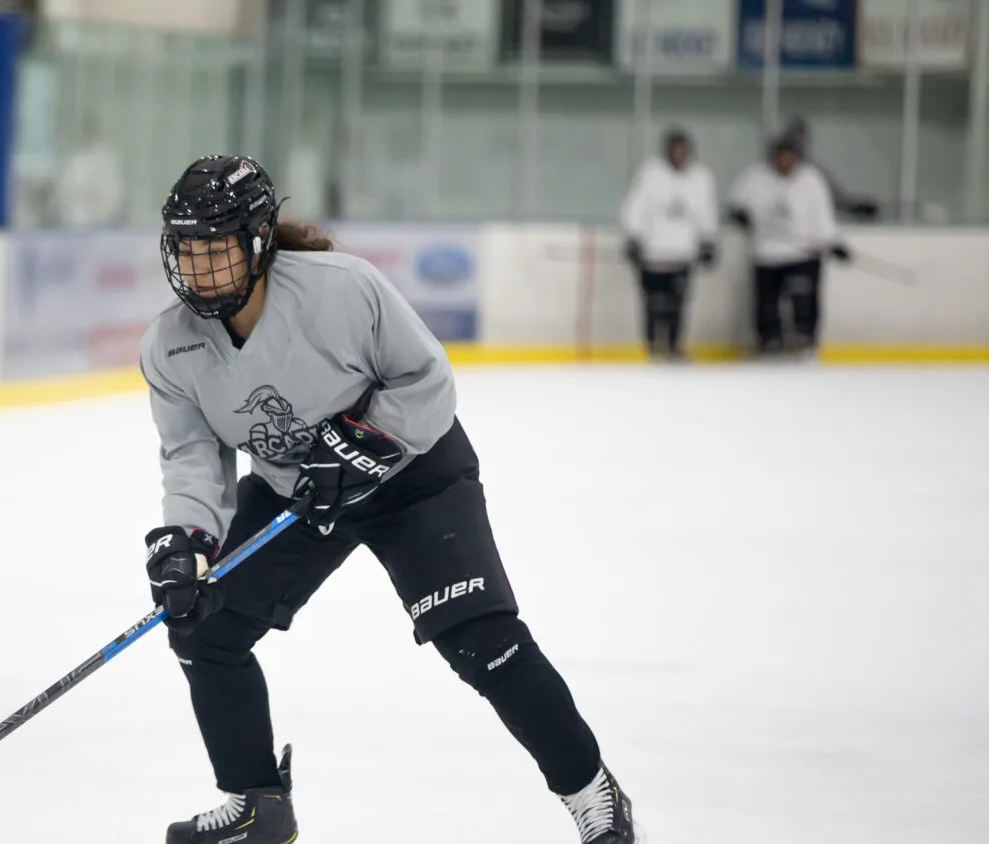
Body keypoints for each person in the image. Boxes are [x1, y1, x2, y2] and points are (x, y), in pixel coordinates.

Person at [137, 154, 644, 844]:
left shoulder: (341, 291)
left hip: (415, 478)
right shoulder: (170, 347)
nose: (200, 272)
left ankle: (593, 792)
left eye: (216, 251)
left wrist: (364, 440)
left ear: (258, 244)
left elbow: (428, 381)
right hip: (301, 496)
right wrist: (186, 544)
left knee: (481, 642)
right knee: (202, 628)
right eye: (187, 253)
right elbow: (194, 457)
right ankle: (259, 802)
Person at [727, 135, 851, 358]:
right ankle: (769, 340)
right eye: (780, 156)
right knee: (766, 304)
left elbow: (822, 217)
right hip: (766, 254)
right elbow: (736, 205)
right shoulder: (755, 178)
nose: (784, 161)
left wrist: (834, 242)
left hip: (802, 254)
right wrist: (739, 215)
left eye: (789, 157)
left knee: (803, 300)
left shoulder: (811, 180)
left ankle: (804, 340)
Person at [619, 127, 719, 361]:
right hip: (653, 254)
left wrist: (708, 240)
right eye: (674, 149)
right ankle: (653, 345)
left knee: (678, 304)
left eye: (682, 149)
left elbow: (706, 211)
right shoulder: (650, 174)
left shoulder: (700, 177)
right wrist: (633, 237)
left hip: (683, 253)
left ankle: (674, 345)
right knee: (653, 303)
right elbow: (636, 206)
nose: (678, 154)